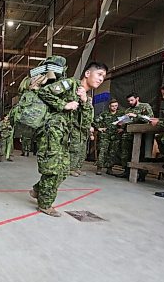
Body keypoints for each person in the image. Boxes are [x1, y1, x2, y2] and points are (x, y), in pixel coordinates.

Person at [30, 60, 107, 217]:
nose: (101, 79)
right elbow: (44, 92)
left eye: (103, 77)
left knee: (65, 169)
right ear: (87, 73)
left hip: (65, 136)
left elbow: (85, 124)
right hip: (51, 131)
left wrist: (85, 102)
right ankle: (45, 204)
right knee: (52, 169)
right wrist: (63, 105)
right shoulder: (69, 84)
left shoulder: (86, 97)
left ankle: (38, 190)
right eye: (99, 74)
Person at [116, 92, 154, 180]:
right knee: (126, 154)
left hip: (141, 135)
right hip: (128, 135)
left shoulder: (145, 106)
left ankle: (141, 174)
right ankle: (126, 171)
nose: (130, 102)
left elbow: (150, 119)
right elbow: (126, 122)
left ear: (137, 98)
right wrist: (121, 124)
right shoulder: (128, 110)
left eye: (132, 100)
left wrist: (136, 115)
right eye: (129, 101)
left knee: (140, 154)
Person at [93, 99, 123, 175]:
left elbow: (126, 122)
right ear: (109, 106)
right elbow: (95, 121)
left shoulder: (121, 114)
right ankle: (99, 168)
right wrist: (98, 128)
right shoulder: (104, 114)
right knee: (102, 151)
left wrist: (122, 128)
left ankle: (109, 168)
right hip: (105, 136)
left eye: (116, 106)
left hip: (115, 136)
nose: (114, 107)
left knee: (112, 152)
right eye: (112, 106)